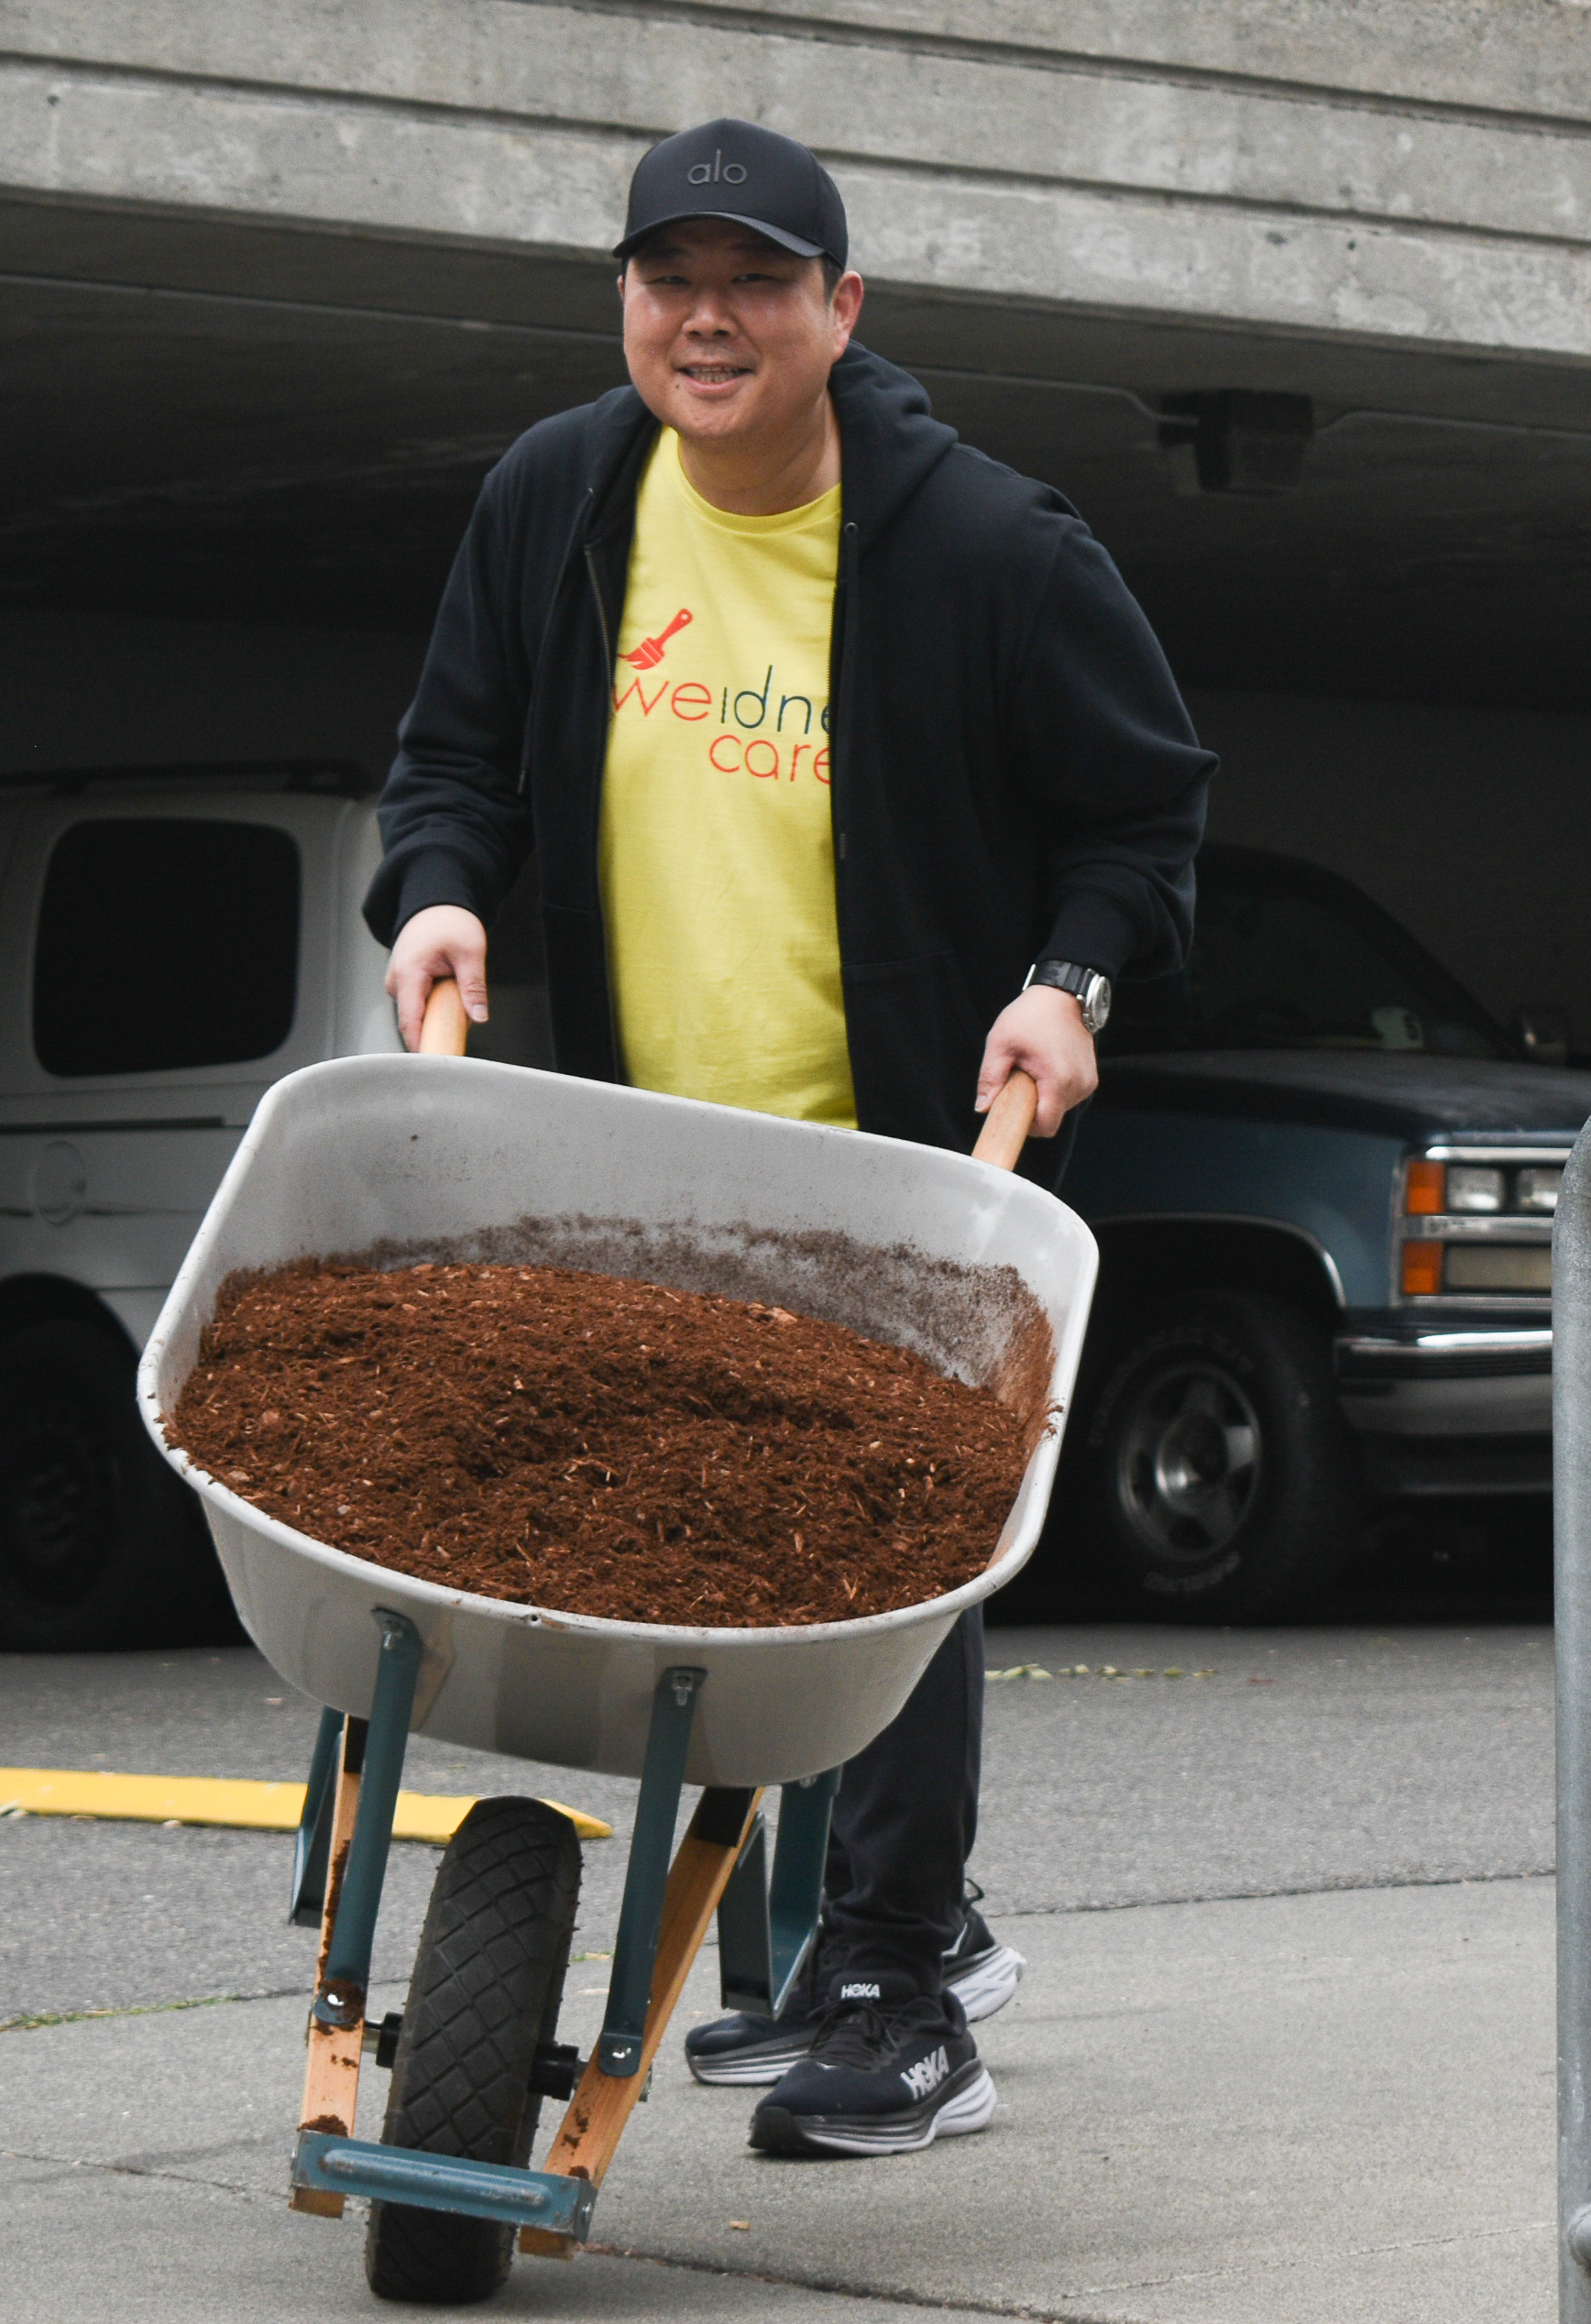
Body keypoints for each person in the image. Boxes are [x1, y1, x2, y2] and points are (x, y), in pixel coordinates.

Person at [367, 117, 1212, 2158]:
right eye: (672, 281)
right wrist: (440, 891)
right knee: (693, 1540)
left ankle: (896, 1983)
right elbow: (450, 757)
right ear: (628, 306)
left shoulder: (993, 547)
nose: (710, 319)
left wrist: (1069, 989)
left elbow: (1141, 819)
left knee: (895, 1548)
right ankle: (842, 1926)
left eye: (757, 282)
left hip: (909, 1146)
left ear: (845, 309)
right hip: (638, 1150)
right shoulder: (561, 497)